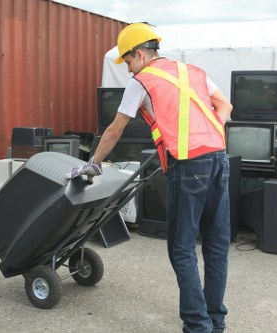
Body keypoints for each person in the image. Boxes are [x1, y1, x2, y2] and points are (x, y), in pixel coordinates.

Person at [68, 23, 233, 333]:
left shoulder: (141, 82)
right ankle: (215, 322)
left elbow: (115, 129)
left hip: (188, 164)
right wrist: (210, 134)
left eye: (128, 62)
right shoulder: (193, 72)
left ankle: (198, 327)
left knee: (182, 248)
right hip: (219, 159)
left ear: (140, 55)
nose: (129, 70)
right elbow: (225, 106)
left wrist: (94, 164)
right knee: (215, 245)